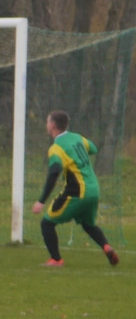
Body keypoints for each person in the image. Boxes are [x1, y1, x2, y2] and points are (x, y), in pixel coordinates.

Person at [31, 110, 119, 267]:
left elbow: (54, 172)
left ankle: (56, 260)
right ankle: (106, 247)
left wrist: (41, 201)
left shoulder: (56, 148)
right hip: (94, 189)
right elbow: (93, 148)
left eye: (47, 122)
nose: (47, 125)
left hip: (78, 191)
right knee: (88, 224)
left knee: (47, 223)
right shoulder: (77, 137)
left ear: (52, 126)